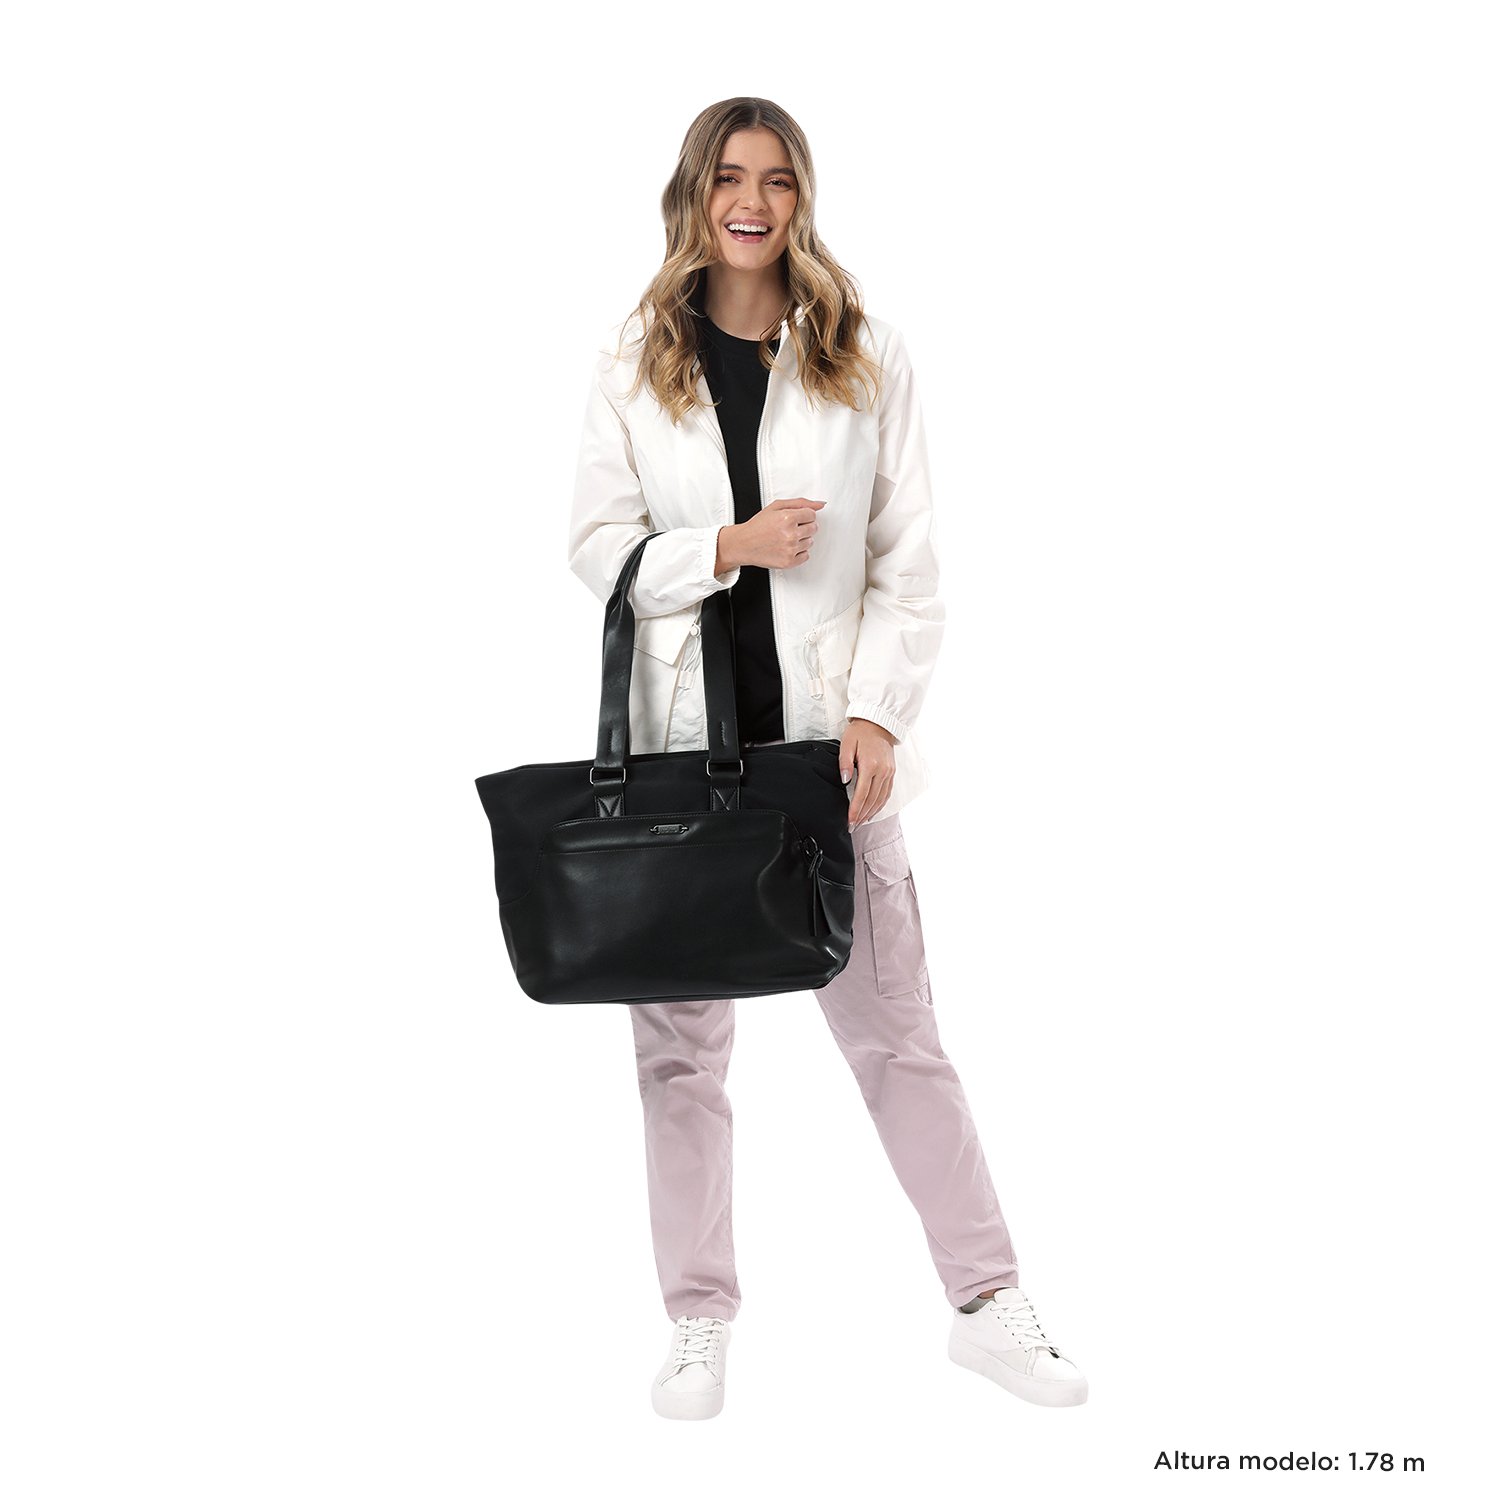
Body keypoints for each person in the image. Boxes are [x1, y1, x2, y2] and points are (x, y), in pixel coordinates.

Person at [566, 96, 1088, 1420]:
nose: (752, 202)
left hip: (827, 770)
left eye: (778, 180)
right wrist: (724, 549)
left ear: (801, 200)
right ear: (694, 194)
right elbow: (597, 550)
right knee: (679, 1060)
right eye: (729, 177)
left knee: (901, 1041)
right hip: (684, 766)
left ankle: (987, 1303)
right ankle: (697, 1321)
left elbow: (910, 558)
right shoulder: (633, 362)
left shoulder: (865, 353)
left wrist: (880, 713)